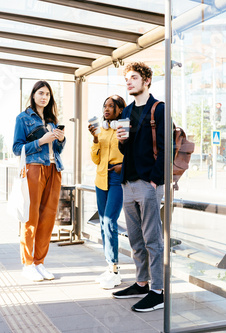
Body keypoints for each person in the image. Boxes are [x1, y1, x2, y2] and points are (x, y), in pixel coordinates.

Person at [113, 62, 165, 312]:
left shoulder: (159, 109)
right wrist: (122, 142)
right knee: (135, 238)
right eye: (127, 79)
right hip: (128, 182)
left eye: (133, 77)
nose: (129, 82)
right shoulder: (127, 113)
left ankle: (158, 290)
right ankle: (142, 282)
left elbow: (167, 148)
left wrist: (155, 180)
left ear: (146, 81)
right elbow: (126, 149)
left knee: (152, 239)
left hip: (148, 183)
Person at [12, 80, 66, 282]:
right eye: (41, 93)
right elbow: (17, 148)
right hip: (34, 169)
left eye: (47, 94)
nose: (44, 97)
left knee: (48, 218)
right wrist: (41, 141)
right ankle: (27, 264)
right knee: (31, 217)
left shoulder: (52, 120)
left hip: (54, 169)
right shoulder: (23, 118)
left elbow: (58, 150)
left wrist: (60, 139)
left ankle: (39, 262)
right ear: (33, 95)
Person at [89, 95, 126, 289]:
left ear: (120, 110)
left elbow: (133, 152)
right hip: (101, 178)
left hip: (117, 179)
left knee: (110, 220)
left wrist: (123, 165)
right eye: (105, 106)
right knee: (103, 222)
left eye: (111, 106)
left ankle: (115, 269)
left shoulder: (124, 128)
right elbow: (95, 159)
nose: (107, 108)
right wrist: (95, 139)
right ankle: (110, 266)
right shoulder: (101, 131)